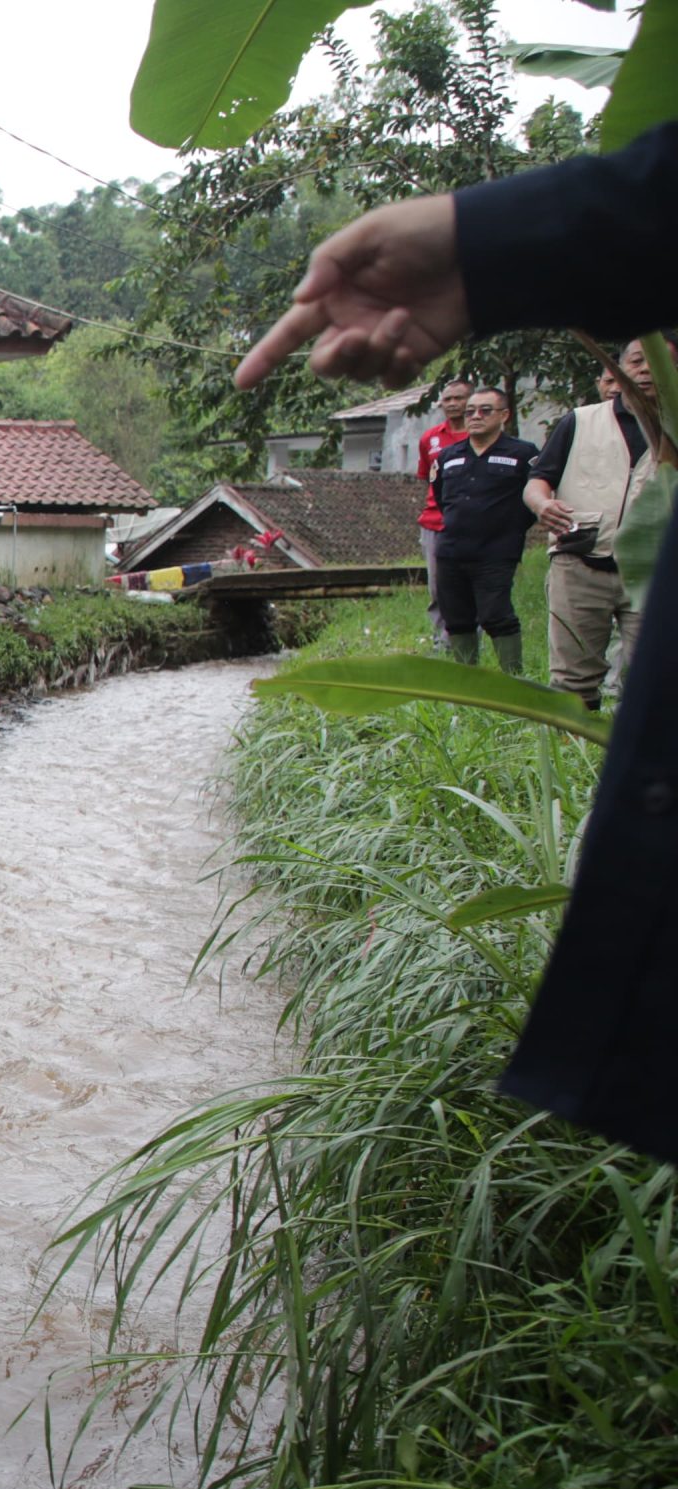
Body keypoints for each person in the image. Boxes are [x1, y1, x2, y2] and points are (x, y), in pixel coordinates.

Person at [232, 119, 677, 1158]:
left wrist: (489, 244)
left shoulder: (559, 434)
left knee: (506, 616)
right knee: (500, 634)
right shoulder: (536, 441)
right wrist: (484, 244)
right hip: (526, 555)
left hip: (538, 558)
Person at [526, 337, 662, 708]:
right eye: (637, 361)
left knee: (656, 678)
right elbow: (539, 480)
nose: (646, 369)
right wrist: (541, 504)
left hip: (657, 573)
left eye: (659, 361)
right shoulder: (581, 420)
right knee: (573, 681)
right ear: (618, 369)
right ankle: (574, 754)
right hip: (579, 562)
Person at [427, 386, 539, 672]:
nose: (475, 416)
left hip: (496, 551)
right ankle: (468, 683)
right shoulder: (448, 456)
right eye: (470, 411)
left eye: (485, 410)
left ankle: (513, 680)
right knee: (457, 618)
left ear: (504, 415)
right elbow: (441, 497)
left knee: (495, 614)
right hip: (451, 550)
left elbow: (534, 499)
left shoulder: (523, 454)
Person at [415, 378, 472, 641]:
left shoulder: (479, 435)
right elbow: (428, 477)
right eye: (447, 399)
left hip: (473, 524)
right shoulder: (430, 438)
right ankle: (443, 641)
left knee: (471, 584)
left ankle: (473, 639)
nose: (452, 404)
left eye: (458, 398)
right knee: (438, 587)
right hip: (435, 522)